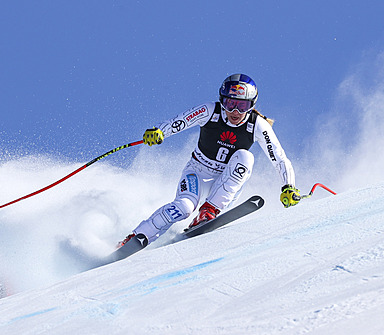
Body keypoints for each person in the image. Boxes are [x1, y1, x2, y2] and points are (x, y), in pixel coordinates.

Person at [119, 73, 301, 248]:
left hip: (226, 182)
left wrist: (288, 186)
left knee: (246, 157)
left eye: (242, 106)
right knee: (182, 208)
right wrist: (159, 131)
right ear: (222, 101)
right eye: (230, 104)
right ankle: (136, 237)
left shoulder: (257, 125)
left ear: (251, 106)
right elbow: (180, 121)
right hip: (197, 172)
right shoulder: (210, 111)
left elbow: (279, 158)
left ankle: (209, 211)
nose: (235, 112)